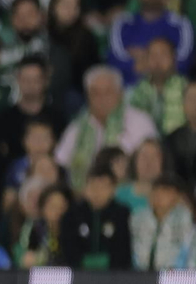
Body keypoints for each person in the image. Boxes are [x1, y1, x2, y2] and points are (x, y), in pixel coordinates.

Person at [54, 65, 158, 193]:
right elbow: (60, 163)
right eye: (95, 93)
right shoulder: (76, 128)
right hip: (85, 195)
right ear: (87, 96)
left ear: (120, 93)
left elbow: (154, 161)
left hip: (132, 194)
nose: (102, 98)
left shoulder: (140, 121)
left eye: (108, 92)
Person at [59, 166, 132, 270]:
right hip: (79, 275)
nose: (97, 192)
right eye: (93, 186)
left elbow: (123, 250)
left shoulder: (122, 214)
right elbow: (69, 250)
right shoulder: (72, 215)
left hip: (115, 276)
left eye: (103, 187)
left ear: (113, 189)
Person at [130, 174, 192, 271]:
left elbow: (187, 250)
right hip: (140, 273)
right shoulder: (138, 217)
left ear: (177, 196)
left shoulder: (184, 218)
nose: (158, 195)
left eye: (165, 191)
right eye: (156, 191)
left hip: (173, 274)